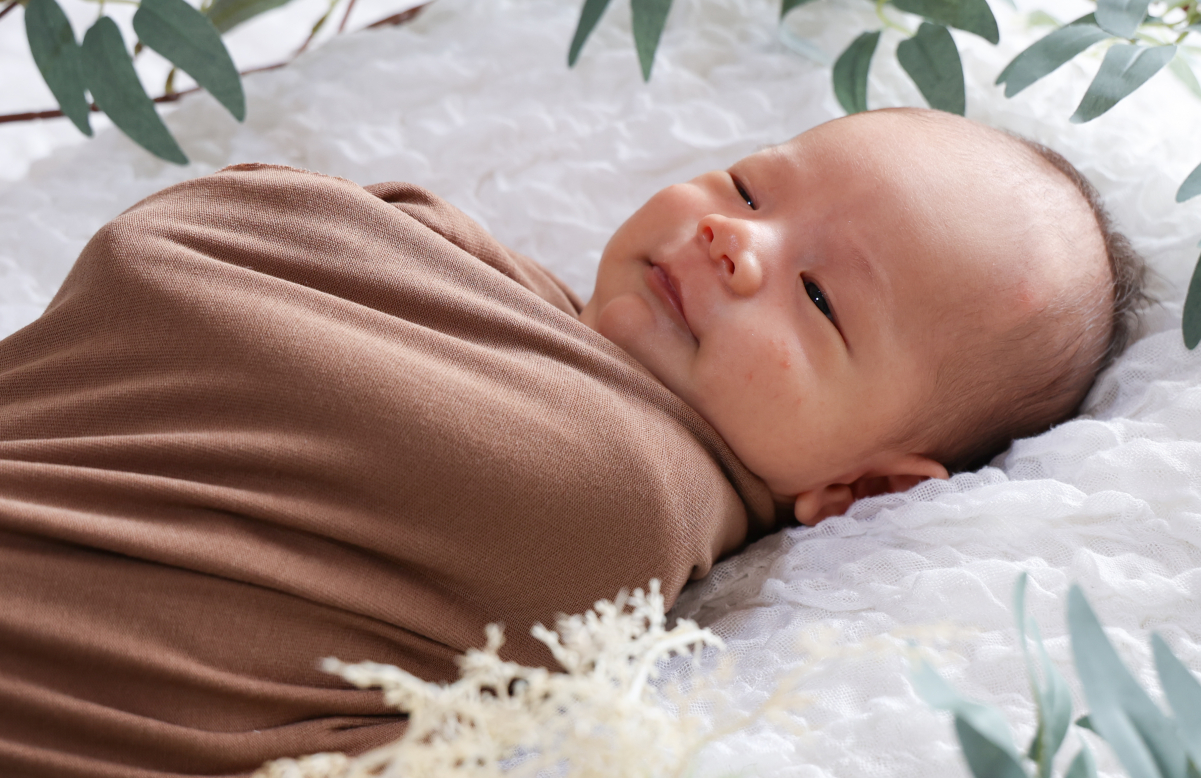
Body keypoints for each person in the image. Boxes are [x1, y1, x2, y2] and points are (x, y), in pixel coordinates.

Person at [0, 108, 1144, 777]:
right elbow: (221, 245)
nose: (731, 237)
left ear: (862, 489)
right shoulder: (472, 269)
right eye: (751, 186)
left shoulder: (622, 490)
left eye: (818, 298)